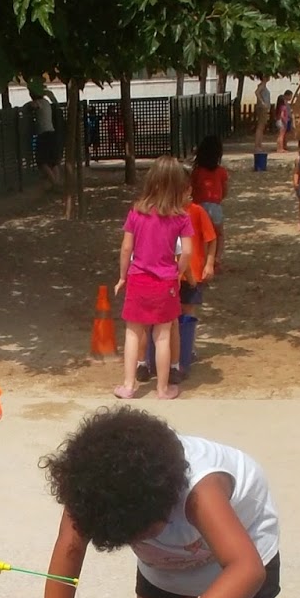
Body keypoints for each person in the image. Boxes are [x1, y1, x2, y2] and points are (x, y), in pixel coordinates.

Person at [40, 408, 281, 598]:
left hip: (239, 545)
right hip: (167, 562)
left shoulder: (200, 491)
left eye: (142, 534)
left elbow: (246, 569)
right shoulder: (92, 491)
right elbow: (70, 545)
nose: (136, 541)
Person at [113, 156, 192, 401]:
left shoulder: (136, 212)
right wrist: (178, 272)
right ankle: (162, 389)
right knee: (164, 335)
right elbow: (188, 251)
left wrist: (122, 276)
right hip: (165, 281)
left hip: (138, 278)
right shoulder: (181, 217)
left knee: (133, 333)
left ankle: (128, 386)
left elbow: (126, 248)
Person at [139, 171, 216, 386]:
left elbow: (210, 239)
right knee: (165, 319)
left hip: (188, 274)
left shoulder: (196, 212)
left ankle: (185, 351)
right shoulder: (168, 214)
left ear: (189, 191)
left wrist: (209, 263)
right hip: (170, 276)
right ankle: (162, 361)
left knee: (186, 313)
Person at [189, 134, 229, 272]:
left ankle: (204, 260)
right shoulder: (221, 171)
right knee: (218, 235)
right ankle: (216, 260)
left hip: (199, 206)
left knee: (202, 236)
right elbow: (225, 191)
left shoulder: (197, 172)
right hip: (215, 206)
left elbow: (192, 190)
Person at [28, 82, 62, 188]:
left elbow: (31, 106)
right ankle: (57, 183)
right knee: (53, 162)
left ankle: (55, 184)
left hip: (44, 135)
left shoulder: (39, 103)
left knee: (42, 162)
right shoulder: (46, 102)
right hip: (51, 133)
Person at [252, 78, 271, 151]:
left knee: (262, 127)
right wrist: (262, 102)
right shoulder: (262, 85)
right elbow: (257, 92)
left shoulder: (263, 85)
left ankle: (259, 144)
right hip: (262, 108)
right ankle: (257, 145)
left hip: (264, 108)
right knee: (260, 127)